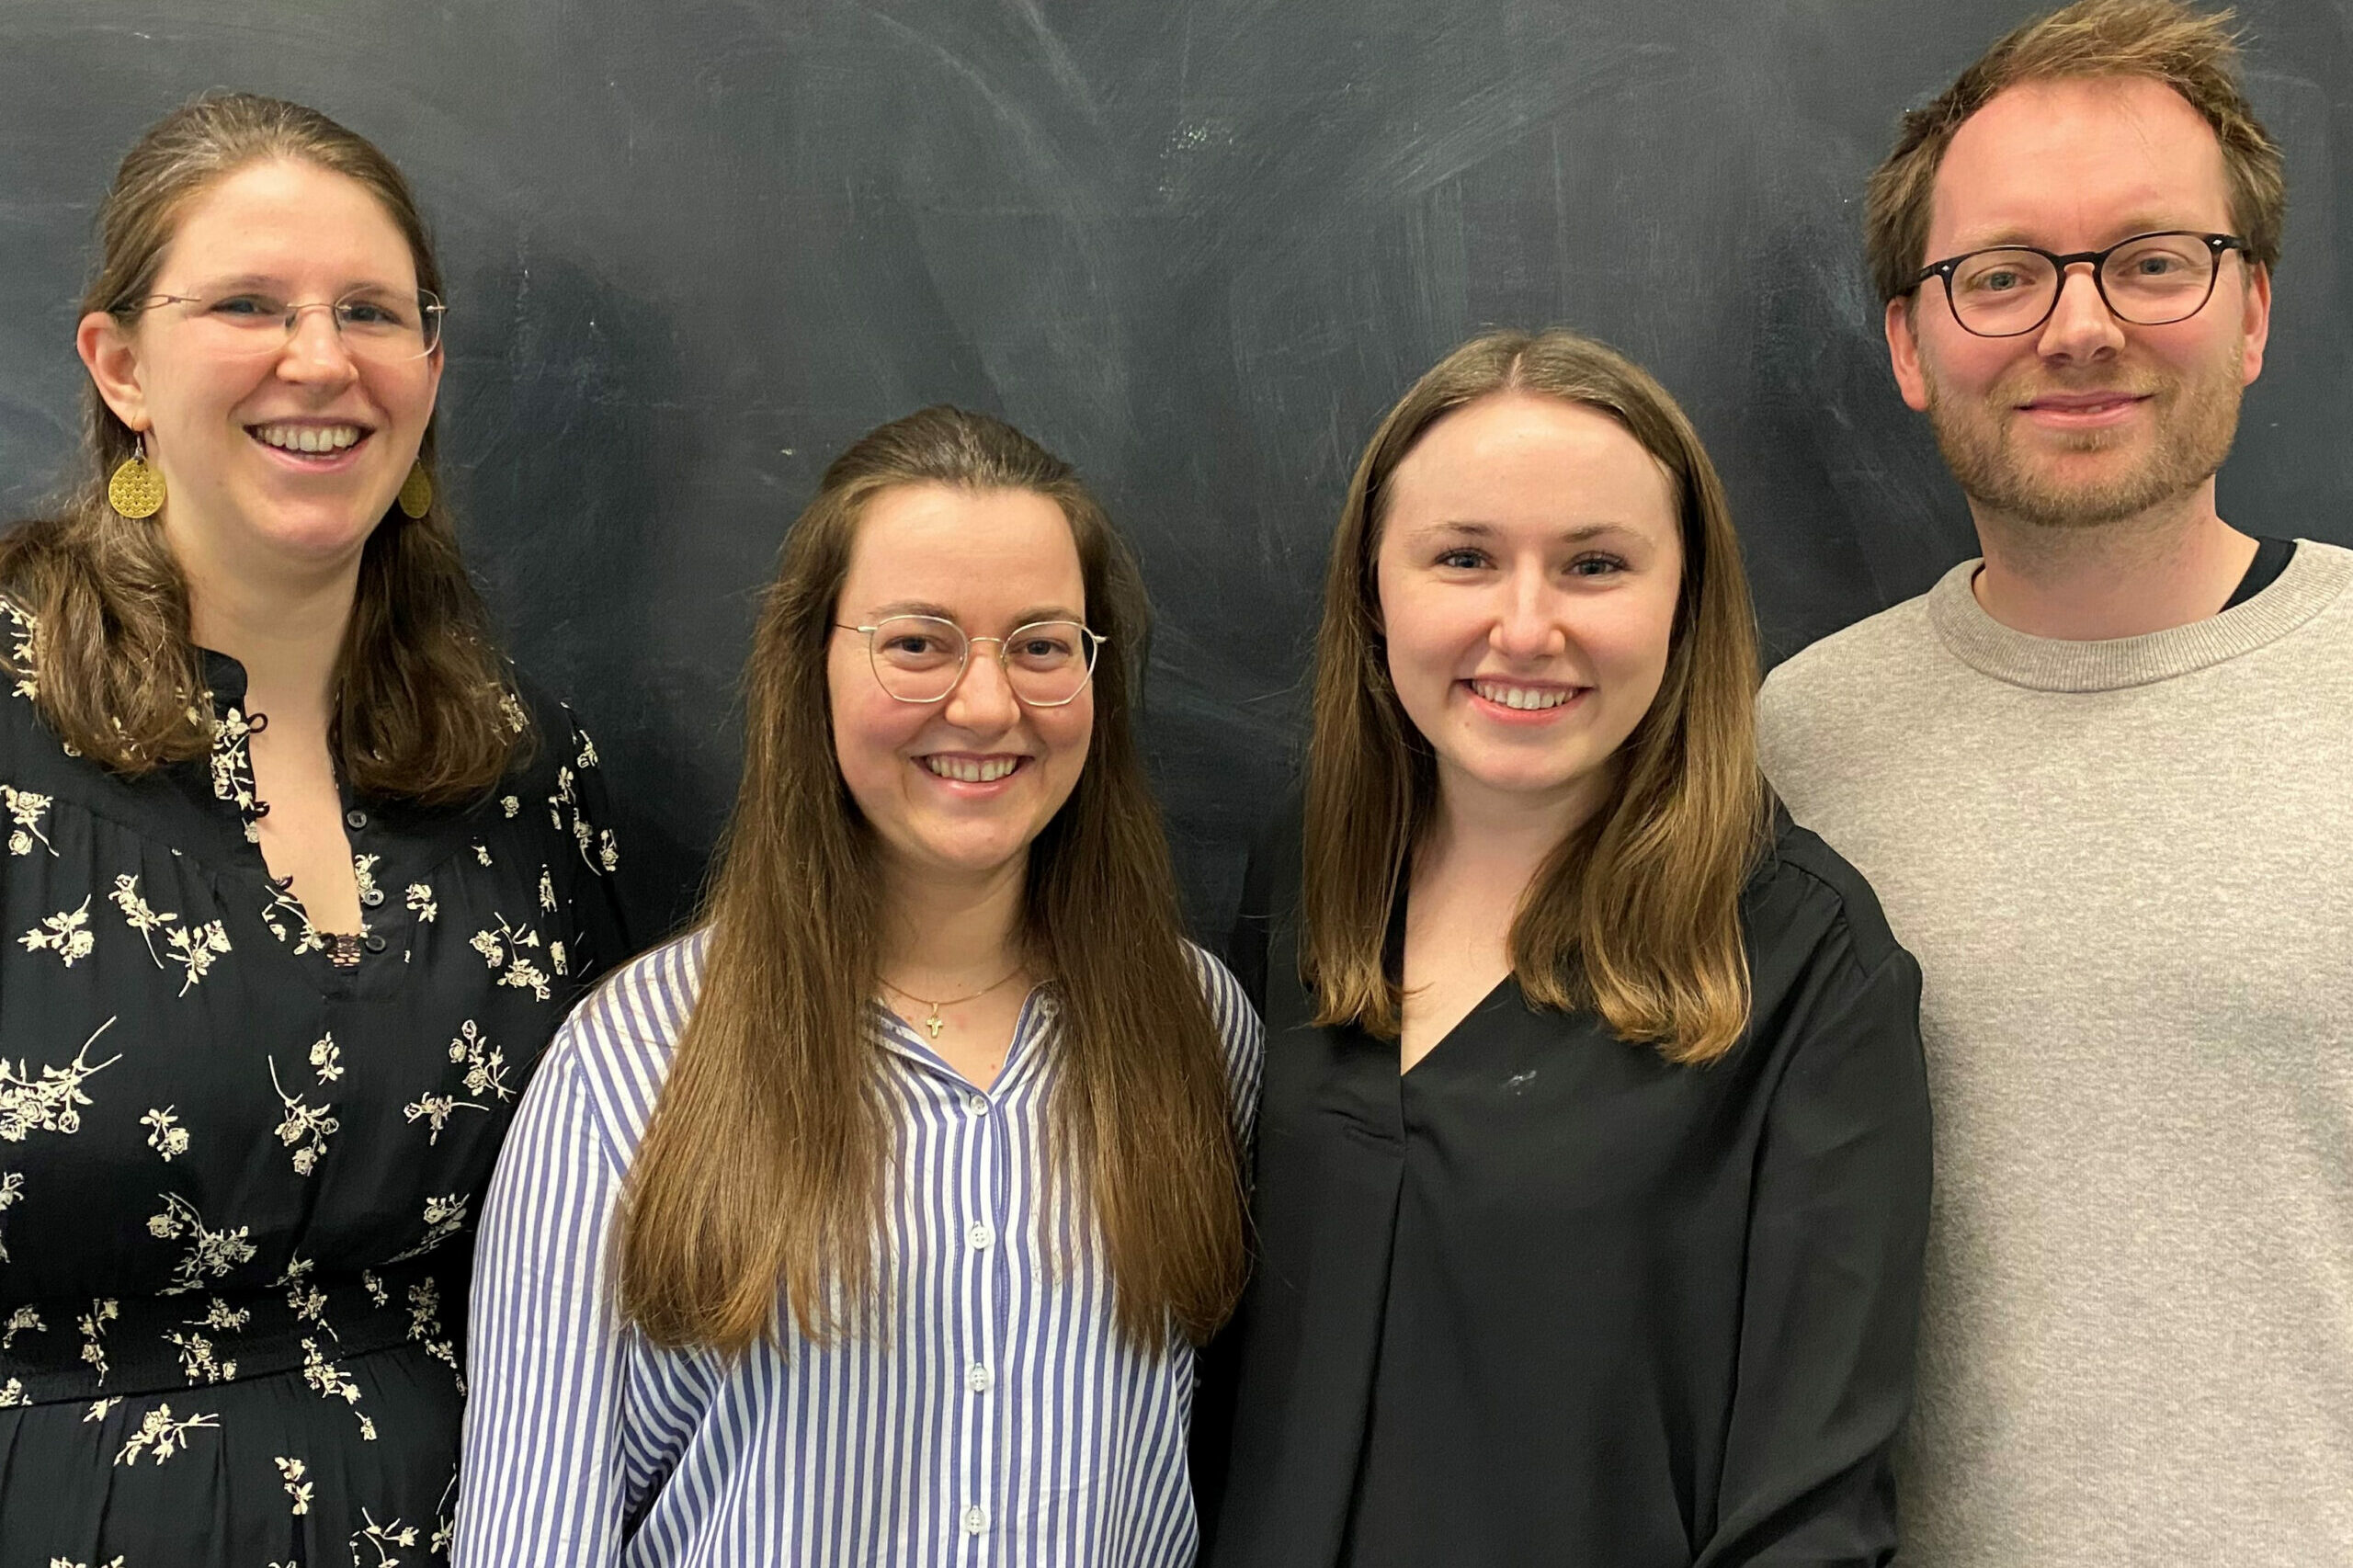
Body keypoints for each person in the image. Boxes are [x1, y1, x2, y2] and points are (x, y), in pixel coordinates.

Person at [456, 405, 1260, 1565]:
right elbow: (534, 1532)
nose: (987, 706)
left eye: (1040, 644)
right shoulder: (629, 1063)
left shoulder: (1196, 1028)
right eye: (918, 642)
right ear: (810, 665)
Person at [1755, 1, 2353, 1561]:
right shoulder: (1791, 747)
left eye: (2153, 260)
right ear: (1906, 338)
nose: (2079, 328)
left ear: (2253, 311)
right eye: (2002, 274)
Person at [0, 93, 631, 1562]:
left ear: (429, 368)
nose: (321, 358)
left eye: (372, 310)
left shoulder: (534, 778)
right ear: (120, 366)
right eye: (247, 304)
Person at [1194, 329, 1930, 1567]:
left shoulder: (1808, 966)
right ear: (1374, 589)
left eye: (1595, 564)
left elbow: (1809, 1518)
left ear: (1685, 596)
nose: (1524, 626)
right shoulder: (1312, 877)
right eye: (1465, 558)